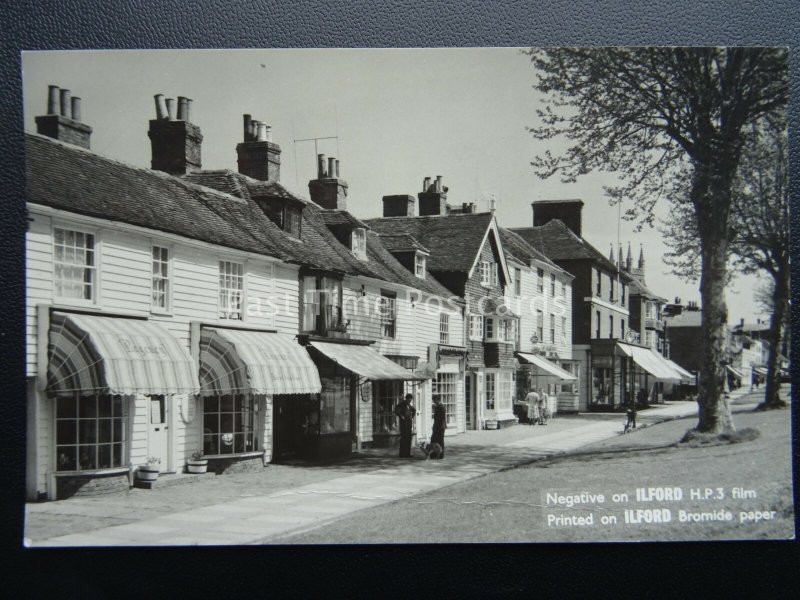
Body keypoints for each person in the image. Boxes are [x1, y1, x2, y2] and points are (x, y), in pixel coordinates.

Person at [395, 393, 417, 458]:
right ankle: (402, 454)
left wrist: (412, 416)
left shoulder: (409, 405)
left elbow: (414, 410)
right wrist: (402, 416)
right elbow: (397, 410)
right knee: (403, 439)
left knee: (408, 439)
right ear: (407, 398)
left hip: (408, 425)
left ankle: (407, 454)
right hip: (404, 424)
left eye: (411, 399)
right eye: (409, 399)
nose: (410, 401)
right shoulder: (402, 404)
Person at [431, 394, 446, 459]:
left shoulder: (441, 407)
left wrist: (440, 426)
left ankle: (440, 454)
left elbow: (441, 418)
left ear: (438, 400)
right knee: (434, 440)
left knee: (440, 441)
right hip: (437, 426)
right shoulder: (438, 406)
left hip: (440, 426)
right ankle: (436, 452)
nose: (434, 401)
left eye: (434, 400)